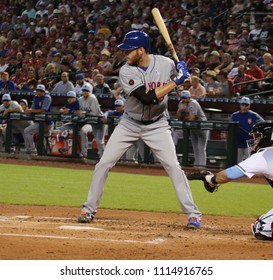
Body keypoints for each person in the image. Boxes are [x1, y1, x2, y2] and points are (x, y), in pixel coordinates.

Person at [77, 30, 202, 229]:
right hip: (129, 123)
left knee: (173, 167)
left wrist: (184, 75)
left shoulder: (166, 63)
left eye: (129, 50)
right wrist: (176, 81)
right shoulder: (127, 71)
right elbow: (147, 97)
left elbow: (184, 82)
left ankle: (193, 214)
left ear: (141, 50)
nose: (125, 54)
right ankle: (88, 209)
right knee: (104, 163)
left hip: (158, 125)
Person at [189, 121, 273, 241]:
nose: (255, 141)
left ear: (267, 138)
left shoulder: (262, 156)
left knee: (263, 228)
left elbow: (229, 174)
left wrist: (211, 179)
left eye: (257, 137)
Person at [176, 90, 209, 167]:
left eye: (185, 98)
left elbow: (191, 118)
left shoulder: (193, 103)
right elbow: (178, 117)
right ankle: (196, 166)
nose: (183, 100)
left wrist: (183, 116)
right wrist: (180, 110)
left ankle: (201, 167)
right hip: (193, 128)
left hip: (202, 127)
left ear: (189, 97)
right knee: (195, 148)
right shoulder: (181, 103)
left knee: (201, 148)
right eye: (182, 98)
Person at [230, 96, 264, 163]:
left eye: (246, 105)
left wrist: (256, 136)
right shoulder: (234, 115)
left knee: (250, 163)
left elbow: (263, 124)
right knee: (237, 164)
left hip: (250, 144)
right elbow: (229, 129)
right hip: (238, 143)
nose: (244, 107)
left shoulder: (254, 115)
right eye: (243, 105)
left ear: (249, 106)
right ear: (240, 105)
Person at [24, 84, 53, 154]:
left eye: (41, 91)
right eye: (38, 91)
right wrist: (29, 111)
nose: (39, 92)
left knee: (27, 131)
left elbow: (42, 110)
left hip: (47, 123)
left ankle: (32, 150)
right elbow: (33, 108)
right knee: (44, 140)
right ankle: (33, 150)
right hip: (39, 121)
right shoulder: (36, 97)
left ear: (44, 91)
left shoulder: (47, 97)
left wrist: (30, 111)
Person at [78, 84, 105, 158]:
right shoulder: (80, 99)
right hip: (90, 122)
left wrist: (85, 113)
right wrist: (81, 113)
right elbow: (81, 111)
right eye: (83, 90)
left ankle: (103, 158)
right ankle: (84, 153)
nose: (85, 92)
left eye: (87, 91)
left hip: (98, 121)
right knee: (83, 131)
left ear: (90, 91)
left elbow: (94, 113)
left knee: (99, 142)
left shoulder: (92, 98)